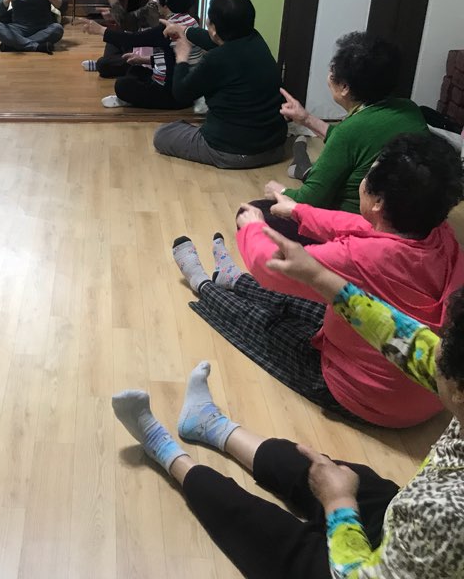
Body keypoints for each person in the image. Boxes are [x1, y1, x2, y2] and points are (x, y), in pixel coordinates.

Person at [114, 228, 464, 579]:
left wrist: (339, 505)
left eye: (441, 347)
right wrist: (319, 277)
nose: (431, 347)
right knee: (324, 470)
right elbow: (410, 344)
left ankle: (167, 453)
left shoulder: (446, 516)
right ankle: (210, 424)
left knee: (277, 541)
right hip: (416, 522)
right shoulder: (458, 384)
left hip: (388, 562)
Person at [170, 132, 464, 427]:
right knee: (304, 303)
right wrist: (299, 212)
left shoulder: (357, 258)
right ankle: (232, 279)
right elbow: (361, 225)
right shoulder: (440, 235)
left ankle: (203, 284)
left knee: (265, 323)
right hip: (431, 389)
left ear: (377, 201)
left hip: (373, 398)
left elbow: (269, 267)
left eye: (368, 174)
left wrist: (252, 229)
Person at [264, 32, 428, 214]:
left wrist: (281, 191)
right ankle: (302, 166)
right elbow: (353, 143)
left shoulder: (351, 130)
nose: (329, 74)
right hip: (409, 217)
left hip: (356, 221)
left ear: (344, 87)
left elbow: (308, 202)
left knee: (259, 209)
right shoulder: (410, 109)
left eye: (332, 69)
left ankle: (303, 168)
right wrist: (306, 119)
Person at [153, 0, 287, 168]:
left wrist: (182, 57)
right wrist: (183, 30)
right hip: (275, 147)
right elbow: (214, 40)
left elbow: (181, 93)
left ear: (214, 29)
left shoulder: (216, 59)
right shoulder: (255, 39)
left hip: (232, 152)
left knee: (163, 134)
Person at [82, 0, 202, 109]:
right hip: (184, 89)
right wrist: (143, 60)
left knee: (122, 85)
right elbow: (171, 57)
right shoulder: (191, 21)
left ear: (166, 1)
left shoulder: (169, 28)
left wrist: (100, 30)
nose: (157, 0)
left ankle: (130, 100)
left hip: (173, 96)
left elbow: (133, 39)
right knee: (136, 70)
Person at [80, 0, 164, 77]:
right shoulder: (155, 1)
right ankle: (110, 62)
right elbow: (132, 21)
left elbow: (126, 22)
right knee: (113, 38)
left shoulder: (155, 6)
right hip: (140, 44)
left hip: (148, 58)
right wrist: (113, 14)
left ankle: (105, 64)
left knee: (104, 64)